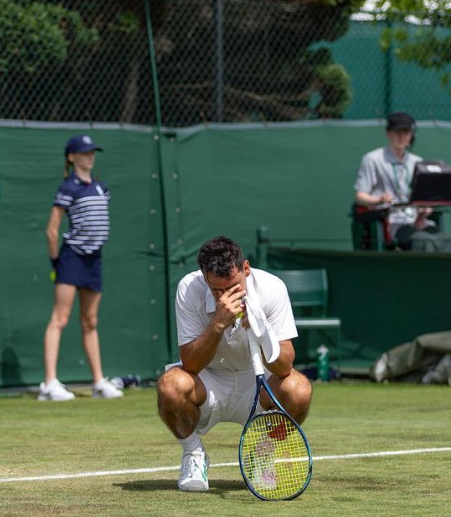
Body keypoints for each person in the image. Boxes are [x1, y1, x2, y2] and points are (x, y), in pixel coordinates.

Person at [156, 236, 312, 491]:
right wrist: (218, 323)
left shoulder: (273, 288)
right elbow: (191, 364)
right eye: (216, 289)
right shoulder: (188, 287)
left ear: (246, 269)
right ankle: (194, 455)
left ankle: (263, 453)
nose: (225, 295)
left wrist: (263, 333)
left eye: (233, 285)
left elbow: (284, 367)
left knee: (299, 389)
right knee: (171, 386)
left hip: (257, 384)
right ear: (204, 277)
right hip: (209, 381)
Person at [38, 135, 123, 401]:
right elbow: (52, 231)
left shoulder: (101, 188)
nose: (90, 156)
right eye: (84, 152)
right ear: (72, 157)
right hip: (71, 258)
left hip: (93, 259)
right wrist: (56, 263)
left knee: (90, 321)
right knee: (60, 319)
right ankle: (49, 384)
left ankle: (98, 382)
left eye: (92, 152)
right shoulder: (67, 188)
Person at [354, 112, 451, 251]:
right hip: (393, 224)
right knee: (423, 241)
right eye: (397, 132)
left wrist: (425, 211)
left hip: (419, 222)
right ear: (388, 134)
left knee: (450, 242)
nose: (401, 136)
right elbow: (359, 197)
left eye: (406, 132)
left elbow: (424, 200)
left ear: (411, 135)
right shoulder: (373, 159)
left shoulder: (417, 161)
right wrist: (379, 199)